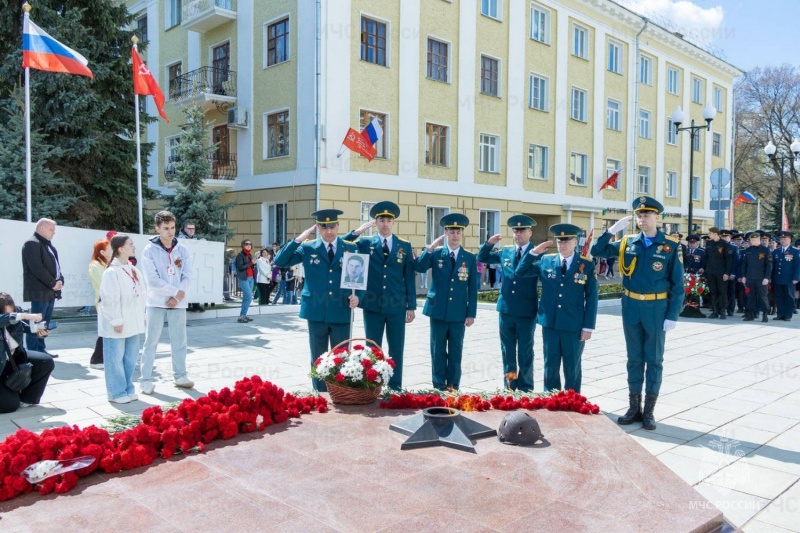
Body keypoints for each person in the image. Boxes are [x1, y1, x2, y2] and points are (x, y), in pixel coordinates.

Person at [591, 196, 684, 431]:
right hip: (631, 306)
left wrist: (672, 314)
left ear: (657, 217)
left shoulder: (670, 247)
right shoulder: (627, 243)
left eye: (647, 215)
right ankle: (634, 407)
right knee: (634, 358)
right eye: (639, 215)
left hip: (656, 308)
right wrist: (610, 231)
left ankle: (649, 411)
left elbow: (678, 285)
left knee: (653, 359)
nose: (642, 219)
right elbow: (597, 250)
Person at [274, 209, 360, 392]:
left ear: (338, 226)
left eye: (332, 226)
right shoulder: (308, 247)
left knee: (342, 355)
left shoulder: (350, 248)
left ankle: (340, 391)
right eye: (324, 227)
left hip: (341, 309)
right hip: (316, 309)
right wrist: (298, 240)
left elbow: (360, 278)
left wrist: (358, 297)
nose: (328, 231)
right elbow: (280, 261)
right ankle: (320, 393)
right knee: (318, 356)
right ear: (318, 228)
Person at [343, 201, 417, 390]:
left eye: (388, 220)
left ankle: (395, 387)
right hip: (372, 304)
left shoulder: (404, 246)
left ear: (394, 222)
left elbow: (408, 276)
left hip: (397, 305)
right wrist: (356, 232)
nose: (385, 223)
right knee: (372, 348)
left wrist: (411, 306)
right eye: (381, 220)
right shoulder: (366, 243)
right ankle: (372, 385)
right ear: (376, 222)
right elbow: (342, 245)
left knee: (396, 348)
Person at [519, 223, 598, 393]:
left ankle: (572, 400)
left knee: (572, 366)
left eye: (566, 241)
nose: (562, 245)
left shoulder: (586, 264)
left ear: (575, 242)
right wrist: (533, 253)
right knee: (550, 364)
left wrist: (588, 326)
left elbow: (592, 297)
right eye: (559, 241)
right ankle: (551, 399)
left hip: (573, 325)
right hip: (551, 323)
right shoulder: (546, 260)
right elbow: (520, 272)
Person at [477, 214, 545, 391]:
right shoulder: (506, 251)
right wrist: (489, 243)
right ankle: (510, 385)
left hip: (526, 311)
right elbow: (483, 257)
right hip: (506, 309)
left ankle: (526, 387)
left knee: (525, 352)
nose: (518, 234)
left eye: (522, 231)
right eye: (516, 231)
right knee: (507, 352)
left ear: (530, 232)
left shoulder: (538, 253)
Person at [414, 213, 479, 391]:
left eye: (458, 231)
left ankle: (453, 386)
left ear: (462, 233)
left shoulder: (469, 258)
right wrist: (429, 248)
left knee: (456, 351)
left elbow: (473, 288)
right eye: (451, 231)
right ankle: (438, 385)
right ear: (446, 232)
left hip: (458, 312)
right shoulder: (436, 254)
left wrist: (471, 313)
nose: (455, 235)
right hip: (438, 310)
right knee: (437, 351)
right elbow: (418, 267)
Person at [140, 210, 194, 394]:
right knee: (151, 341)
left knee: (179, 340)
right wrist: (175, 293)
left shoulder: (182, 249)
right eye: (166, 228)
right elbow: (153, 281)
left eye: (172, 227)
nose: (170, 232)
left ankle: (180, 375)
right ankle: (145, 379)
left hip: (178, 303)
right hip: (156, 302)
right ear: (157, 228)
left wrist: (178, 297)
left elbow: (188, 275)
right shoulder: (149, 250)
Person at [98, 235, 147, 404]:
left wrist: (143, 317)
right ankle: (116, 392)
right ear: (120, 249)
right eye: (130, 244)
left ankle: (128, 388)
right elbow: (109, 298)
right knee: (115, 358)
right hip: (117, 323)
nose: (134, 247)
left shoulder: (133, 269)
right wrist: (116, 320)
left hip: (133, 322)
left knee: (130, 358)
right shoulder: (112, 271)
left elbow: (141, 295)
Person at [0, 293, 55, 413]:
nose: (12, 315)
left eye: (13, 311)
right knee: (9, 406)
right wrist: (25, 315)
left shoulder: (17, 314)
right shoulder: (15, 316)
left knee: (45, 361)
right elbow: (9, 319)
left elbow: (25, 328)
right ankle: (9, 394)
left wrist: (38, 331)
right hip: (1, 366)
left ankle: (27, 398)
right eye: (7, 314)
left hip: (14, 359)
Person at [21, 218, 63, 358]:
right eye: (51, 230)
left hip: (50, 291)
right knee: (36, 322)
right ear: (42, 228)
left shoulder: (49, 246)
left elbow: (56, 267)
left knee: (45, 322)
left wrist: (60, 280)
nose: (54, 233)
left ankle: (41, 349)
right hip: (39, 291)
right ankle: (33, 352)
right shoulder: (32, 243)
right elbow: (37, 268)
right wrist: (53, 283)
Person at [88, 239, 112, 370]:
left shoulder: (109, 264)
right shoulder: (95, 266)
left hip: (111, 301)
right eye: (110, 249)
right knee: (104, 331)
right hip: (104, 302)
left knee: (109, 330)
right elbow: (105, 284)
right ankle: (96, 360)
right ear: (102, 252)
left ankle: (104, 358)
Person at [740, 231, 772, 323]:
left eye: (753, 240)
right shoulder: (748, 250)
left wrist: (767, 277)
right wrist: (743, 276)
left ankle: (765, 314)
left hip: (761, 278)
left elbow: (769, 265)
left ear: (758, 239)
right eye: (750, 240)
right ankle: (750, 314)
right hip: (750, 278)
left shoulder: (766, 250)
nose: (751, 241)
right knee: (750, 296)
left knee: (763, 297)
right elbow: (744, 265)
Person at [704, 227, 733, 319]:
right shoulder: (709, 243)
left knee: (722, 292)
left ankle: (723, 311)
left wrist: (727, 273)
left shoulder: (724, 244)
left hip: (721, 272)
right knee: (713, 292)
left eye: (710, 233)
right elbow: (707, 258)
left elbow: (729, 260)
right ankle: (715, 311)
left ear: (716, 234)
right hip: (711, 272)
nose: (709, 235)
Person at [772, 230, 800, 321]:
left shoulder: (795, 251)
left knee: (789, 297)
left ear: (790, 239)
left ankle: (788, 315)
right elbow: (773, 266)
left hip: (789, 279)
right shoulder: (776, 251)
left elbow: (797, 266)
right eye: (781, 238)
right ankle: (780, 314)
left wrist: (796, 277)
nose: (783, 240)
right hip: (777, 278)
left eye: (785, 238)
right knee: (779, 296)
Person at [178, 221, 205, 313]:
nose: (191, 230)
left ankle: (195, 305)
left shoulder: (195, 240)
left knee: (194, 284)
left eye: (193, 228)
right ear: (185, 229)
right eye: (189, 228)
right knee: (185, 285)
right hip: (183, 267)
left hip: (194, 266)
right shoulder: (180, 239)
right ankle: (187, 305)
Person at [234, 239, 257, 323]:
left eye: (250, 244)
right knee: (248, 297)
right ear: (243, 245)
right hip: (244, 278)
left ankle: (243, 315)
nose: (248, 245)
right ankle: (242, 316)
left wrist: (253, 263)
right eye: (246, 244)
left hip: (250, 278)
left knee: (246, 298)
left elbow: (250, 266)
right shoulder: (240, 255)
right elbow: (240, 267)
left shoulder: (249, 255)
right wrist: (251, 263)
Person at [720, 229, 739, 316]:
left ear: (730, 237)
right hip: (720, 273)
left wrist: (733, 273)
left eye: (726, 236)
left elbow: (735, 261)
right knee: (721, 291)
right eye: (723, 236)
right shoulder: (718, 246)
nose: (724, 238)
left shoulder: (734, 248)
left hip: (730, 273)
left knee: (731, 292)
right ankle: (721, 308)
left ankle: (730, 309)